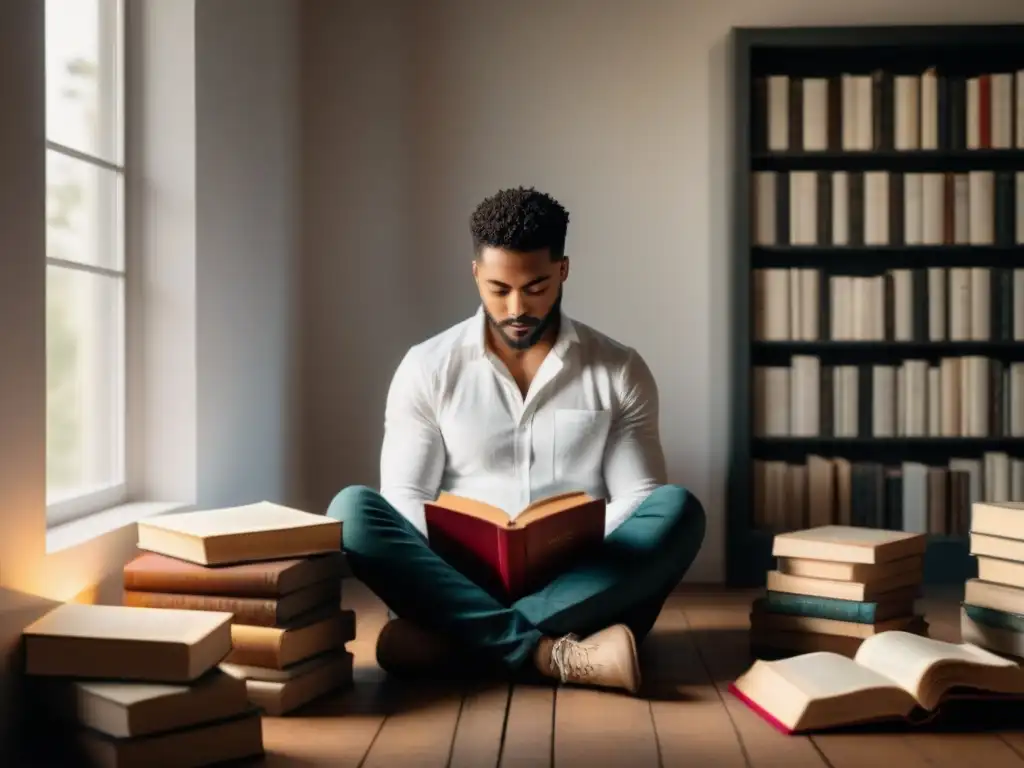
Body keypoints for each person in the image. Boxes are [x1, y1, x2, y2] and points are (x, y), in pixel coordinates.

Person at [327, 187, 705, 695]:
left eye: (536, 287)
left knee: (678, 508)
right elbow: (403, 499)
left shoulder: (619, 369)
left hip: (579, 583)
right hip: (457, 582)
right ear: (475, 274)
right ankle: (550, 653)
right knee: (352, 510)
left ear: (564, 271)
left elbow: (639, 499)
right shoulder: (427, 366)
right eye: (498, 288)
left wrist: (576, 544)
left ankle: (458, 642)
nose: (516, 307)